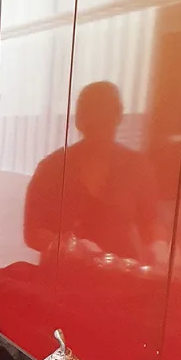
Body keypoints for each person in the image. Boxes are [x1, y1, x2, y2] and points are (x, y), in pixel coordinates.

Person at [24, 81, 165, 265]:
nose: (100, 131)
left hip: (119, 274)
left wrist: (160, 247)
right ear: (79, 121)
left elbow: (150, 220)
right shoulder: (52, 168)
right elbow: (32, 231)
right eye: (93, 122)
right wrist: (69, 247)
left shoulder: (136, 166)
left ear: (118, 117)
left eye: (105, 122)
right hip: (63, 274)